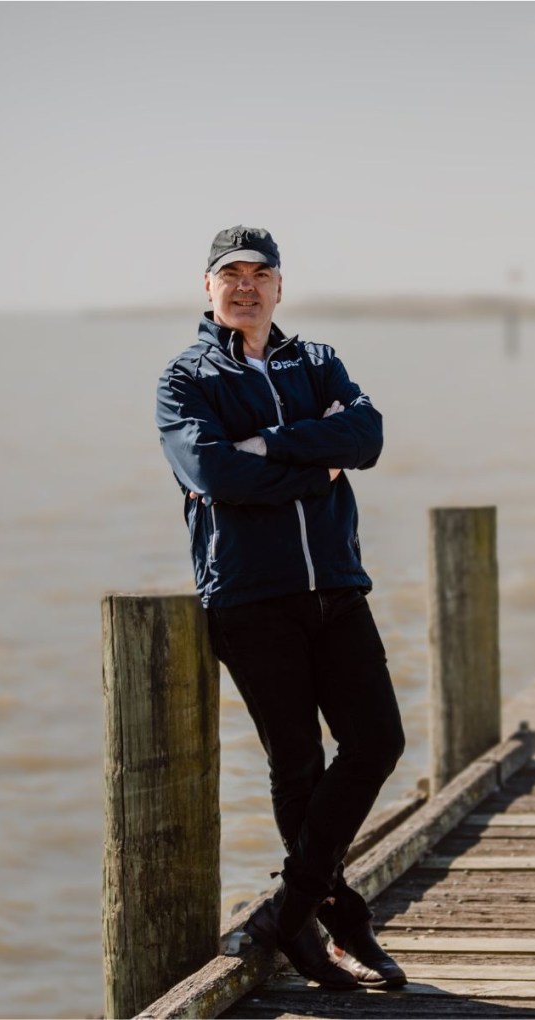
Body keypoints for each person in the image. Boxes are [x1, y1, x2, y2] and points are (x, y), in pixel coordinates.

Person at [155, 226, 407, 990]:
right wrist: (310, 464)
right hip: (250, 595)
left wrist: (266, 445)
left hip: (335, 582)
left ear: (279, 288)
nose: (245, 286)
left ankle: (291, 913)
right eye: (229, 274)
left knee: (377, 741)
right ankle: (330, 924)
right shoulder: (184, 378)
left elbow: (365, 436)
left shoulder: (318, 361)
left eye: (259, 273)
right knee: (295, 762)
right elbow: (210, 471)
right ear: (207, 289)